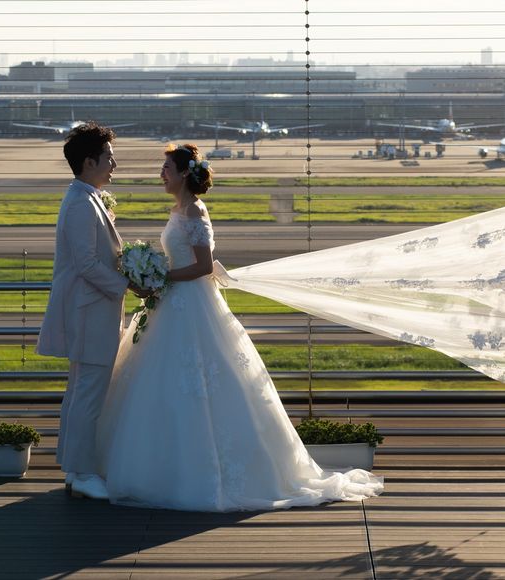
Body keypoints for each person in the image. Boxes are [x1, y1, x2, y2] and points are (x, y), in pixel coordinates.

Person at [95, 143, 384, 511]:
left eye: (167, 168)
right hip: (173, 300)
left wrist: (161, 276)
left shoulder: (195, 210)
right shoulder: (178, 209)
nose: (161, 174)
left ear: (184, 173)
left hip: (191, 302)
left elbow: (203, 266)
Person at [37, 122, 137, 500]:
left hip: (92, 312)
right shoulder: (81, 203)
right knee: (88, 396)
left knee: (81, 393)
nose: (115, 164)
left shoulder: (87, 196)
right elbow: (87, 265)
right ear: (89, 161)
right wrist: (129, 284)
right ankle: (81, 473)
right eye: (109, 157)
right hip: (89, 314)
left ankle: (74, 467)